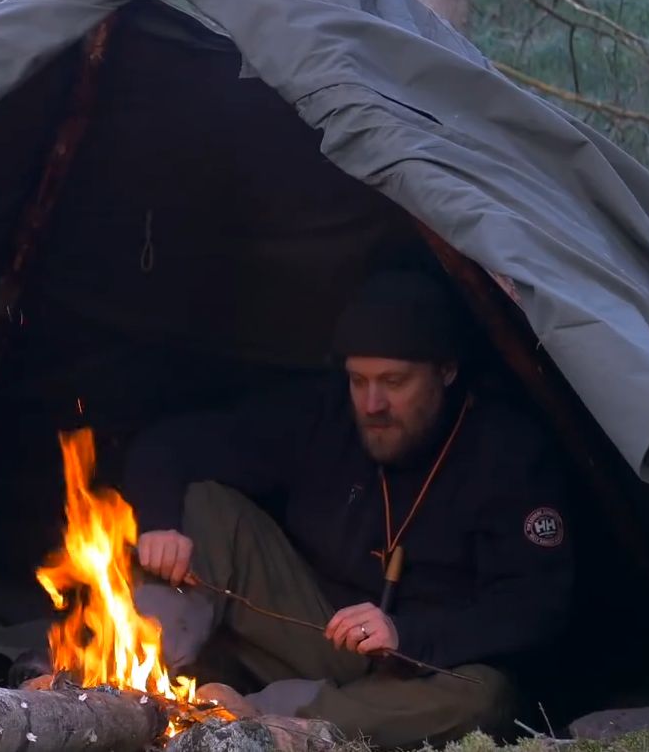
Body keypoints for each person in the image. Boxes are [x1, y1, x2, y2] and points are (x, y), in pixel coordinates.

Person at [120, 268, 574, 750]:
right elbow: (169, 446)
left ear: (446, 371)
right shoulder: (325, 416)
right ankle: (135, 688)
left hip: (419, 668)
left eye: (394, 382)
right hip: (315, 631)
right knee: (207, 504)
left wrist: (406, 634)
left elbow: (533, 607)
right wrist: (161, 524)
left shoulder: (507, 454)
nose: (373, 404)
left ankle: (263, 721)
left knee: (487, 697)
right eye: (360, 381)